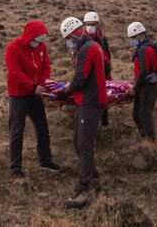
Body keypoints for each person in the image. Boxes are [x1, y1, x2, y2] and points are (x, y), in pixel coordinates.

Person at [58, 17, 107, 208]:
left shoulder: (87, 49)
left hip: (91, 102)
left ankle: (82, 191)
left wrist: (67, 89)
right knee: (78, 144)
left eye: (68, 38)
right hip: (88, 100)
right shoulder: (89, 47)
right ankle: (94, 179)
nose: (68, 42)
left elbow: (80, 77)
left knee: (84, 146)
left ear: (75, 33)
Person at [5, 20, 60, 178]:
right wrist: (32, 86)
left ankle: (45, 161)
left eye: (43, 40)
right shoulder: (13, 48)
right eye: (38, 40)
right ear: (30, 37)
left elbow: (46, 66)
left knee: (43, 128)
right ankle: (16, 168)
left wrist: (42, 84)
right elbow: (14, 71)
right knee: (17, 131)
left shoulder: (41, 47)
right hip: (18, 95)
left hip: (35, 94)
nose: (41, 43)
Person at [128, 21, 157, 141]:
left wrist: (135, 88)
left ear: (141, 35)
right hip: (145, 86)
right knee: (137, 115)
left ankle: (151, 143)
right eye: (130, 37)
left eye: (133, 37)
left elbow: (143, 72)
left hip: (149, 87)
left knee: (144, 115)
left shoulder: (144, 50)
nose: (132, 40)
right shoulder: (145, 47)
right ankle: (145, 138)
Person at [83, 11, 112, 126]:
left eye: (93, 24)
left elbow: (108, 55)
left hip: (104, 71)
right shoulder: (83, 39)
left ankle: (104, 122)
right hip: (90, 73)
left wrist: (107, 69)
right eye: (88, 24)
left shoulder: (102, 38)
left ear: (97, 25)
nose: (90, 27)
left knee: (103, 96)